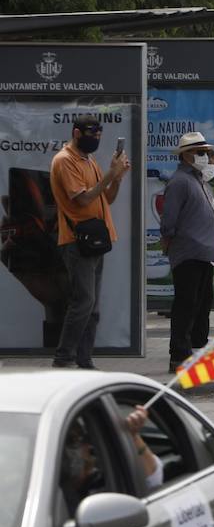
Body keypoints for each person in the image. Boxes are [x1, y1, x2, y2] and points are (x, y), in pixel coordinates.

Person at [50, 115, 131, 369]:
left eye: (98, 135)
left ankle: (84, 360)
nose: (95, 139)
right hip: (76, 240)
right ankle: (64, 358)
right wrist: (110, 174)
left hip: (95, 239)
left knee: (92, 305)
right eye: (91, 135)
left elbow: (107, 198)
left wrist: (116, 177)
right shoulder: (64, 161)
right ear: (76, 133)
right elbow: (82, 200)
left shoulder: (89, 160)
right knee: (83, 302)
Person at [161, 131, 214, 374]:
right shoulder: (180, 181)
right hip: (188, 250)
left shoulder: (199, 180)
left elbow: (202, 212)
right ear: (186, 155)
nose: (204, 156)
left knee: (201, 303)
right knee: (186, 304)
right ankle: (179, 355)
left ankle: (193, 349)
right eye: (199, 152)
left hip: (203, 250)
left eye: (206, 152)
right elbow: (169, 219)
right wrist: (168, 239)